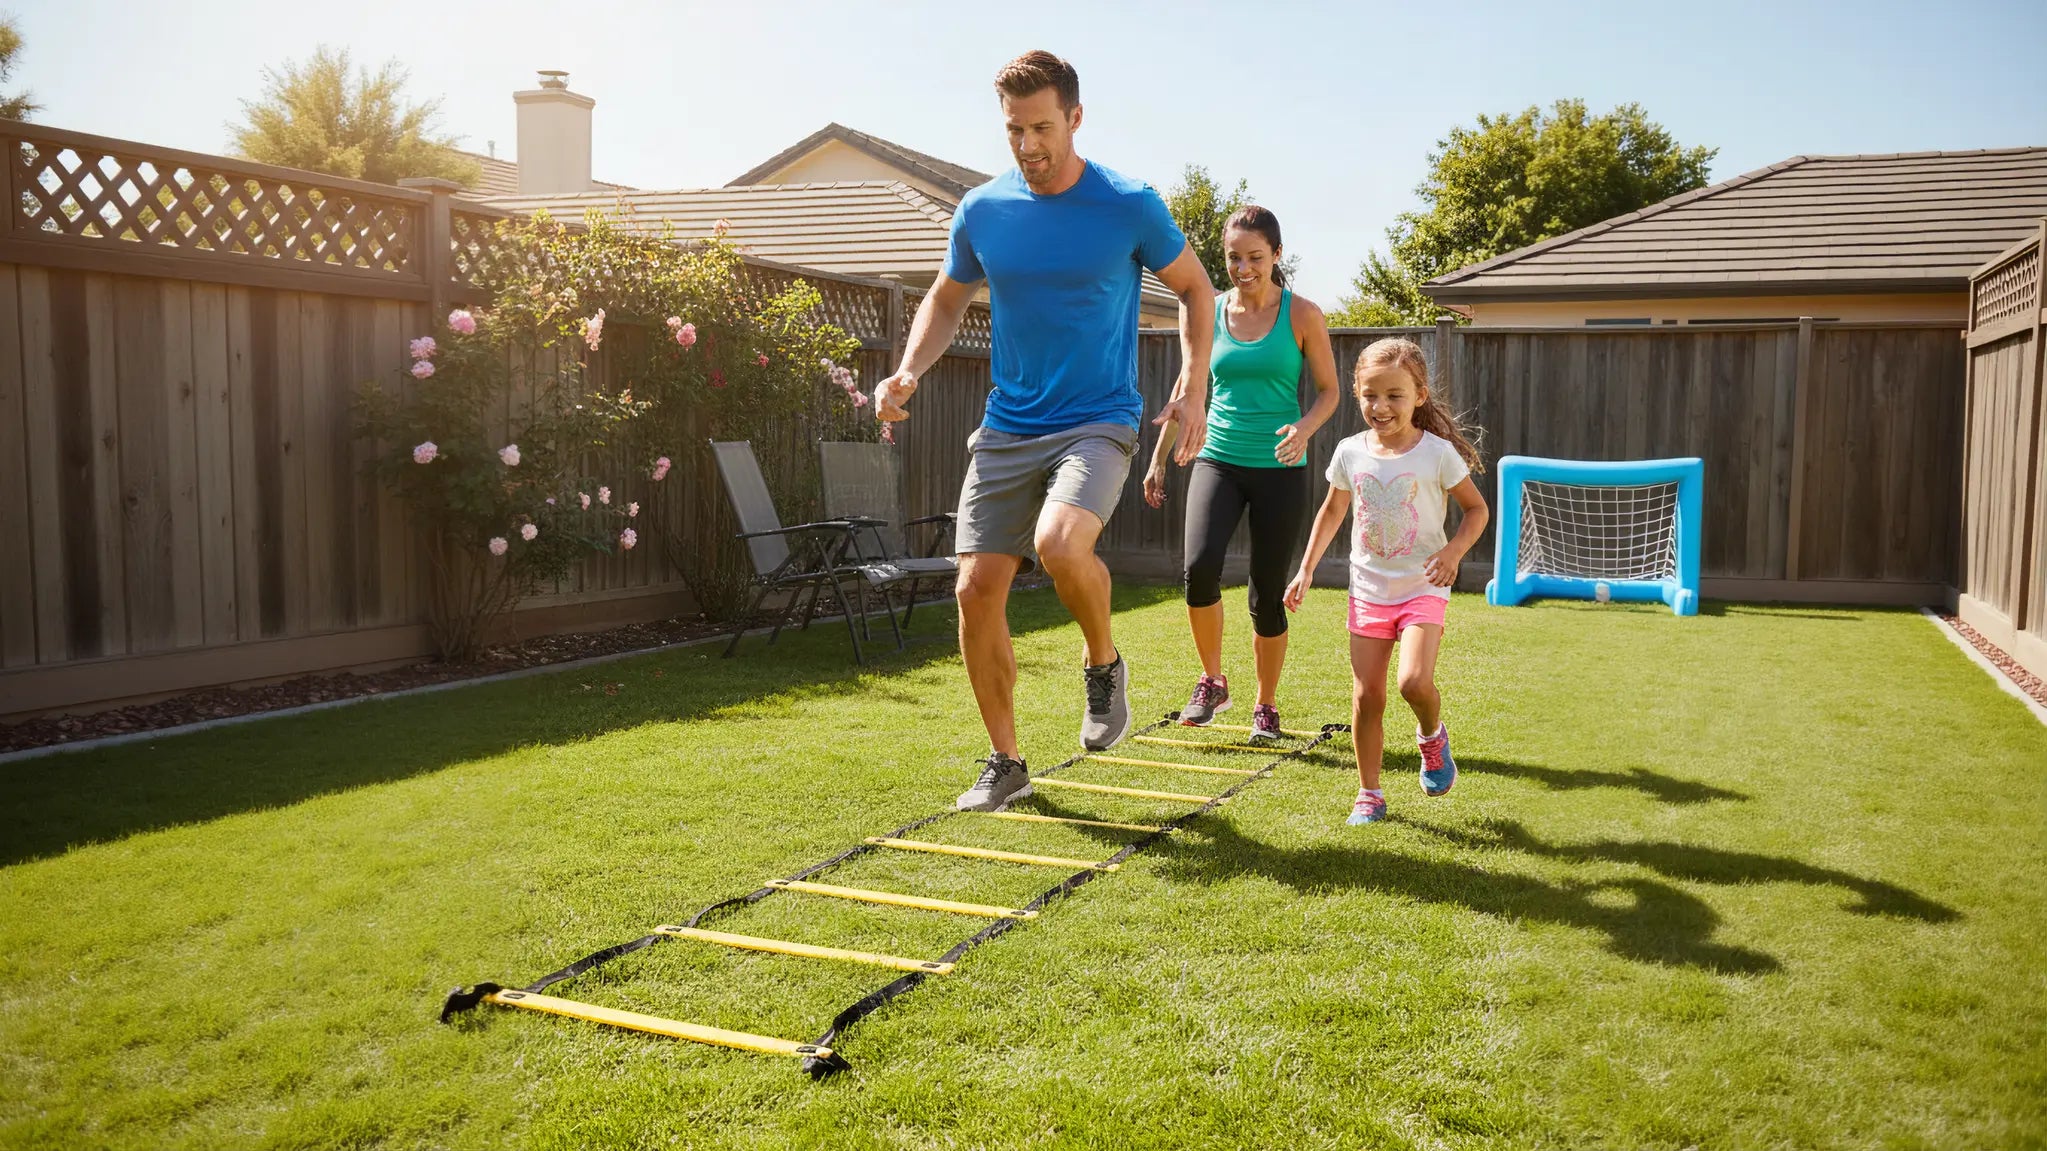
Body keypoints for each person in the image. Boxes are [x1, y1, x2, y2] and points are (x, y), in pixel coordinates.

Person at [873, 50, 1216, 812]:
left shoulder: (1127, 203)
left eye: (1041, 128)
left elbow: (1197, 289)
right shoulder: (982, 210)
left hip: (1099, 418)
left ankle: (1102, 663)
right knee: (974, 587)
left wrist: (1193, 386)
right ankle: (1005, 759)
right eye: (1013, 130)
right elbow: (945, 296)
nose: (1028, 145)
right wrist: (907, 370)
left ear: (1074, 118)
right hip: (1007, 423)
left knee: (1062, 544)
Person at [1143, 206, 1341, 743]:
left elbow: (1330, 392)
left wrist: (1304, 428)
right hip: (1218, 457)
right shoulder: (1208, 310)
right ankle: (1212, 680)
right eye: (1234, 257)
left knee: (1265, 593)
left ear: (1277, 255)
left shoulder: (1302, 315)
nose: (1243, 267)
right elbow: (1189, 388)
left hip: (1279, 466)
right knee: (1199, 568)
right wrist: (1159, 457)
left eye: (1255, 256)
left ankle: (1266, 704)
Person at [1283, 337, 1487, 825]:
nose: (1381, 406)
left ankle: (1432, 739)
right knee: (1366, 696)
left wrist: (1454, 552)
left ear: (1419, 396)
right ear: (1356, 392)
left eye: (1394, 395)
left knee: (1414, 682)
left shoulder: (1437, 454)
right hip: (1369, 590)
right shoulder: (1350, 451)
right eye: (1370, 395)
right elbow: (1333, 511)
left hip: (1423, 586)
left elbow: (1476, 510)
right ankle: (1369, 794)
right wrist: (1306, 568)